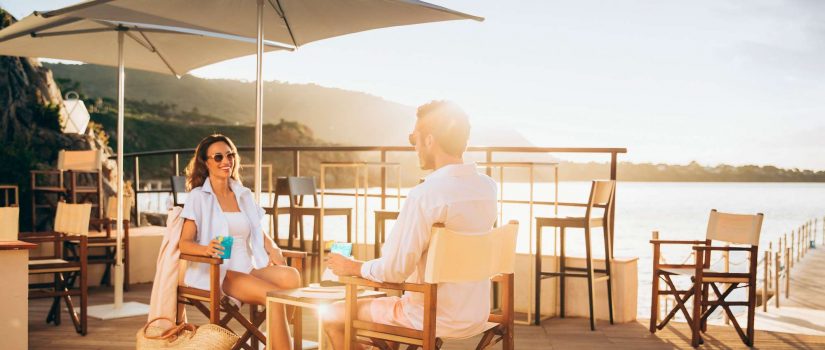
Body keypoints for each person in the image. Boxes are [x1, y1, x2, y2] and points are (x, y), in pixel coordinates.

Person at [323, 101, 498, 349]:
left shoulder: (426, 195)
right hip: (476, 315)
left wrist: (352, 266)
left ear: (428, 140)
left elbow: (394, 271)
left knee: (333, 315)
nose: (414, 147)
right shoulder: (488, 188)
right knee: (387, 315)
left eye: (412, 138)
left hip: (428, 316)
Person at [178, 134, 300, 350]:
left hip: (247, 269)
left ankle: (276, 336)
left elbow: (257, 229)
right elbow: (184, 243)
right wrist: (206, 249)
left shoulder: (242, 194)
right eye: (218, 157)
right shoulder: (199, 197)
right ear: (205, 163)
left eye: (229, 155)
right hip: (221, 273)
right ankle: (280, 343)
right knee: (275, 300)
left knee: (291, 277)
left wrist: (273, 248)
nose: (226, 161)